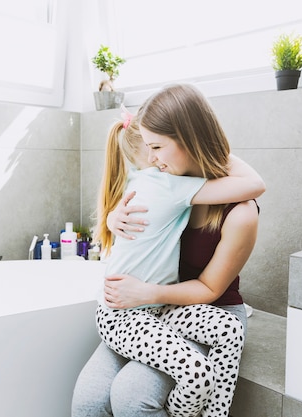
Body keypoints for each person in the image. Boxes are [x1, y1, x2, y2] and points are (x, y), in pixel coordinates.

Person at [72, 84, 265, 417]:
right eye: (149, 147)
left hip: (208, 308)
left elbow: (209, 288)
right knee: (89, 399)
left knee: (131, 397)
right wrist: (115, 217)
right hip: (152, 306)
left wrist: (146, 293)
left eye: (158, 147)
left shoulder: (239, 212)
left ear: (190, 139)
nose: (152, 158)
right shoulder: (165, 181)